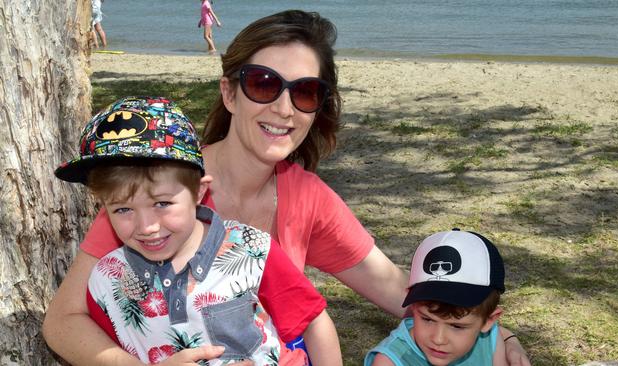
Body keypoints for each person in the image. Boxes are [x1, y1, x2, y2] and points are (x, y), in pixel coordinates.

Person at [42, 10, 530, 365]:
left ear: (318, 107)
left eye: (304, 92)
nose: (283, 108)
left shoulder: (307, 198)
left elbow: (397, 288)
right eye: (262, 83)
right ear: (229, 92)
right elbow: (63, 321)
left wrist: (494, 333)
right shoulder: (154, 191)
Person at [54, 96, 341, 365]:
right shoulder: (106, 281)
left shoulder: (253, 251)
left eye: (162, 203)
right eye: (123, 209)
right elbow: (77, 334)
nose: (147, 227)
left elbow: (314, 323)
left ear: (199, 192)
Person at [365, 230, 508, 366]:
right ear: (413, 305)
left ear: (488, 321)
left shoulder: (491, 340)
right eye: (427, 319)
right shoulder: (391, 361)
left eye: (457, 326)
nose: (438, 339)